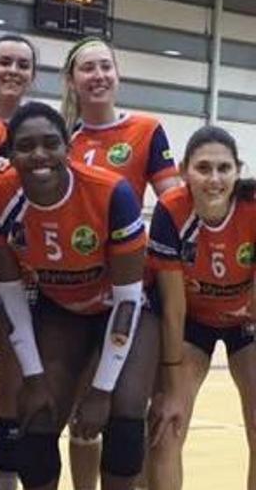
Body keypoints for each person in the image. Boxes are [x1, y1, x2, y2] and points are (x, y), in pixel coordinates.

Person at [0, 101, 159, 490]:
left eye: (51, 143)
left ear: (69, 147)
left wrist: (101, 391)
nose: (39, 155)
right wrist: (32, 377)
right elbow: (10, 295)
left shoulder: (111, 193)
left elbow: (129, 299)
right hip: (62, 308)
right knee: (36, 417)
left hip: (126, 309)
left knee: (125, 418)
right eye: (26, 146)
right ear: (11, 154)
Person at [60, 36, 180, 489]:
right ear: (72, 80)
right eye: (87, 69)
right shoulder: (62, 139)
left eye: (105, 67)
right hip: (75, 293)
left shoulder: (146, 130)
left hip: (134, 290)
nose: (98, 76)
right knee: (81, 414)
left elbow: (172, 203)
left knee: (131, 413)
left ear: (118, 74)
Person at [147, 126, 256, 490]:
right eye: (203, 168)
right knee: (166, 425)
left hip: (246, 320)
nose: (214, 179)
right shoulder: (170, 211)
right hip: (193, 320)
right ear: (183, 171)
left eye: (224, 168)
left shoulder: (253, 208)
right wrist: (173, 386)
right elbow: (173, 308)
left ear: (238, 171)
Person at [0, 34, 38, 490]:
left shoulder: (41, 130)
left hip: (22, 273)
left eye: (23, 64)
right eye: (5, 62)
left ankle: (6, 478)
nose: (13, 70)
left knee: (14, 378)